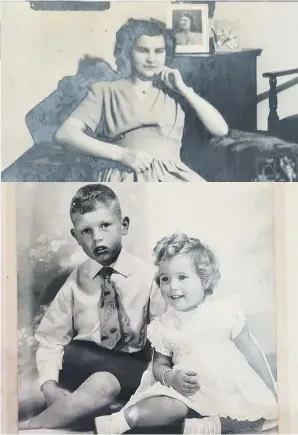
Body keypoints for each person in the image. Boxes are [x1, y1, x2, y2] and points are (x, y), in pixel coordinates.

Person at [95, 233, 278, 434]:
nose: (173, 287)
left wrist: (272, 390)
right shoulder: (164, 325)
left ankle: (208, 427)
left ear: (205, 280)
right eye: (165, 279)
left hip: (229, 390)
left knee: (262, 414)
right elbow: (159, 364)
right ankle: (119, 421)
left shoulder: (226, 312)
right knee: (163, 407)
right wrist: (171, 377)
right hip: (188, 392)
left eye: (182, 277)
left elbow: (252, 352)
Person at [19, 184, 166, 430]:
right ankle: (69, 409)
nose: (97, 237)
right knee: (85, 366)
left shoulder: (149, 278)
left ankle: (34, 426)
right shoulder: (76, 281)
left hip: (130, 365)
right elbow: (50, 339)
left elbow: (164, 337)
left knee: (104, 383)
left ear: (124, 225)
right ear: (75, 236)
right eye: (86, 231)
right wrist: (48, 386)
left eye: (105, 226)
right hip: (83, 362)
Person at [54, 18, 228, 182]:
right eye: (143, 50)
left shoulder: (177, 93)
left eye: (158, 51)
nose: (151, 59)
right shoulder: (105, 91)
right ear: (129, 52)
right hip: (122, 175)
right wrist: (121, 154)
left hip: (171, 177)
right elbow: (65, 133)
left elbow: (221, 130)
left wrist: (184, 90)